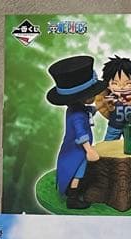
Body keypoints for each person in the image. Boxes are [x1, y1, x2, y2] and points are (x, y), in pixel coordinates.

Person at [46, 55, 107, 209]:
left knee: (79, 171)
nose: (94, 96)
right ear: (82, 97)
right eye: (91, 94)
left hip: (76, 149)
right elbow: (81, 135)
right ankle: (72, 198)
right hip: (77, 151)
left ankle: (73, 190)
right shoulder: (77, 116)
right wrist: (89, 150)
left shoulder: (76, 108)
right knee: (78, 172)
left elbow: (90, 111)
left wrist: (103, 105)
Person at [96, 56, 131, 155]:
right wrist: (109, 104)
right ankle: (105, 161)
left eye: (128, 83)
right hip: (114, 126)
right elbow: (110, 109)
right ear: (108, 85)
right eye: (115, 83)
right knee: (107, 146)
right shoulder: (111, 97)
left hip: (130, 126)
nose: (121, 87)